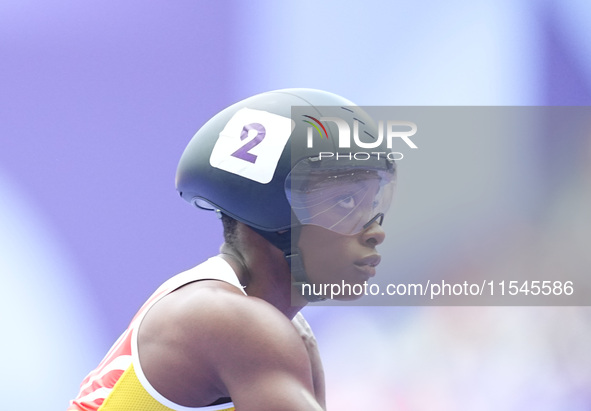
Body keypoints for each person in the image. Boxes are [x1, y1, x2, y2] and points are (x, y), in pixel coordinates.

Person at [68, 89, 396, 411]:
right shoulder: (232, 321)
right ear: (275, 213)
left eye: (374, 205)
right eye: (347, 201)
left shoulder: (280, 329)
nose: (376, 232)